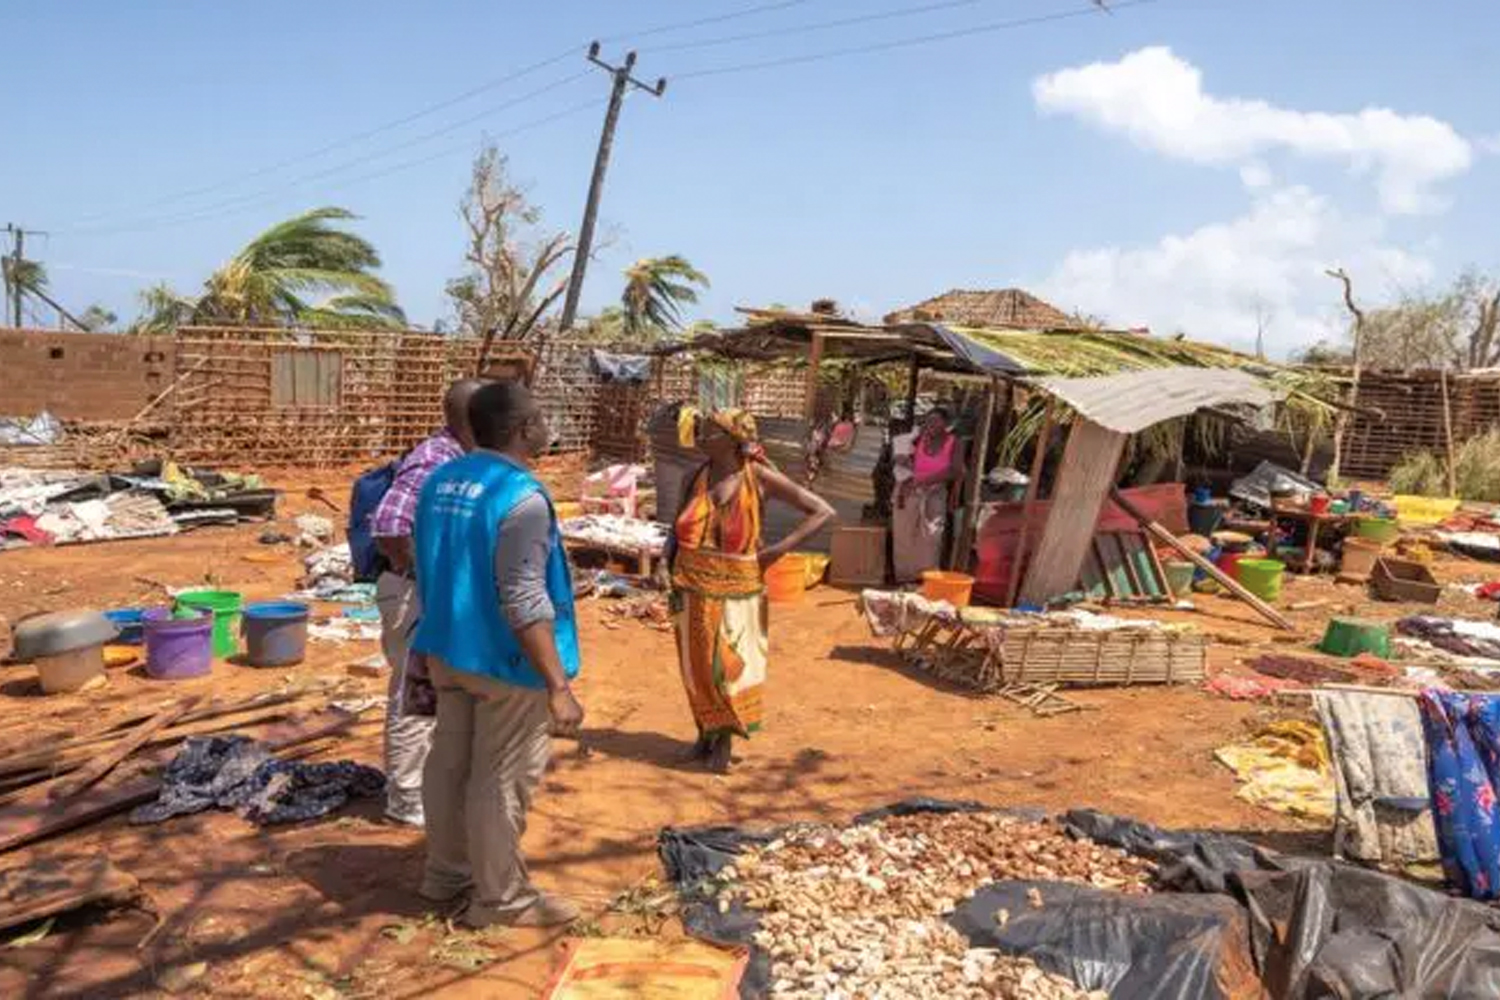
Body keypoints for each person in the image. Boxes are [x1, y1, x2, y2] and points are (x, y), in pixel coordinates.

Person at [410, 379, 584, 929]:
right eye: (539, 417)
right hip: (505, 663)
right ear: (520, 429)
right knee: (500, 777)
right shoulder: (521, 498)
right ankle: (501, 900)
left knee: (449, 762)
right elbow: (524, 597)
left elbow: (426, 562)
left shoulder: (442, 481)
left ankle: (445, 874)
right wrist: (558, 685)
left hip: (446, 647)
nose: (546, 426)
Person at [670, 408, 834, 773]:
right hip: (690, 586)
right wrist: (666, 572)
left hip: (738, 589)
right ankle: (704, 736)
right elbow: (673, 530)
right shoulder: (693, 477)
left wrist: (777, 550)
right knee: (695, 669)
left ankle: (724, 741)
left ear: (731, 439)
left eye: (709, 432)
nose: (700, 437)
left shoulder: (758, 477)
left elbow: (822, 511)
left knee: (728, 667)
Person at [371, 377, 486, 826]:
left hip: (431, 594)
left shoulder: (460, 458)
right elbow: (389, 525)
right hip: (414, 593)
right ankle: (405, 800)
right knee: (413, 696)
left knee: (433, 693)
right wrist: (427, 574)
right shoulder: (434, 460)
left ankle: (423, 787)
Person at [892, 407, 964, 583]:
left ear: (946, 425)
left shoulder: (955, 442)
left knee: (931, 536)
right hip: (909, 490)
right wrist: (902, 460)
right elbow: (902, 456)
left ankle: (926, 578)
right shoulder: (918, 439)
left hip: (935, 492)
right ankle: (904, 577)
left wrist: (925, 480)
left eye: (935, 421)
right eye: (928, 420)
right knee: (904, 533)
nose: (930, 424)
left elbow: (955, 470)